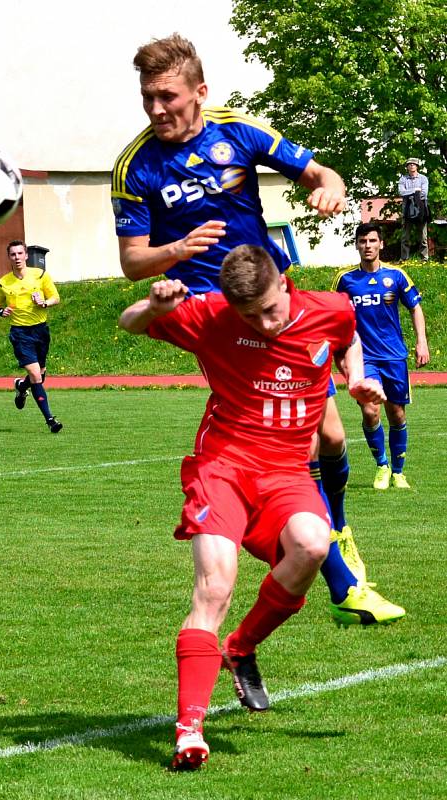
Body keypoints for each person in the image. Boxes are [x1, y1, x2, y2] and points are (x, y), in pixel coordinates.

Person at [111, 32, 402, 627]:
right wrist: (177, 250)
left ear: (200, 91)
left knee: (333, 438)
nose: (157, 109)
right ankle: (343, 581)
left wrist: (328, 187)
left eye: (167, 96)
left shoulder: (239, 132)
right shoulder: (135, 166)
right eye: (148, 98)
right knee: (292, 437)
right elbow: (133, 262)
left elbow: (321, 172)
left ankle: (335, 529)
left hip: (277, 297)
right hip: (220, 315)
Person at [119, 245, 387, 769]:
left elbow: (349, 337)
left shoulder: (329, 308)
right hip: (223, 468)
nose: (264, 324)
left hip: (287, 472)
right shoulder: (212, 315)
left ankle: (240, 648)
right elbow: (129, 321)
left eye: (270, 309)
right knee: (214, 586)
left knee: (312, 546)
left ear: (285, 285)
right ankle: (189, 731)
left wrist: (356, 378)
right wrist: (154, 305)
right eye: (250, 316)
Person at [333, 222, 430, 489]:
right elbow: (333, 313)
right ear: (356, 244)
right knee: (369, 410)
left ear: (381, 244)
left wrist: (421, 342)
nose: (368, 246)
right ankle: (382, 466)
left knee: (396, 413)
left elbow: (415, 307)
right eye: (363, 241)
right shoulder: (345, 280)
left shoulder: (397, 276)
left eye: (372, 241)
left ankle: (399, 472)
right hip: (363, 358)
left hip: (394, 356)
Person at [0, 240, 63, 433]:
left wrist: (44, 303)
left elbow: (55, 297)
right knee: (35, 375)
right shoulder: (3, 283)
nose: (16, 258)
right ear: (9, 257)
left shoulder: (40, 275)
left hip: (40, 330)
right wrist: (1, 311)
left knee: (41, 374)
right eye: (13, 254)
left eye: (19, 254)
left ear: (26, 256)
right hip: (20, 333)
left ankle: (22, 387)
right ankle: (50, 420)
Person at [398, 157, 429, 262]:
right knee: (405, 236)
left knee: (423, 236)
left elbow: (424, 193)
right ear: (407, 167)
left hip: (421, 209)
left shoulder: (423, 178)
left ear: (417, 166)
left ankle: (424, 258)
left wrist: (410, 193)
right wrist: (415, 190)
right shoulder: (403, 179)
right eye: (409, 164)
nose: (411, 165)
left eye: (413, 164)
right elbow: (401, 192)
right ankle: (404, 259)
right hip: (407, 210)